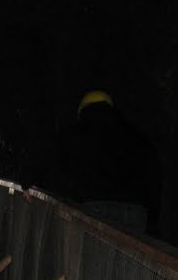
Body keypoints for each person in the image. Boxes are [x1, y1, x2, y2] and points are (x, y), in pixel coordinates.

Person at [44, 90, 162, 234]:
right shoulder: (138, 138)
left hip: (93, 206)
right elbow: (154, 178)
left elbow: (51, 160)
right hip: (135, 211)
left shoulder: (76, 134)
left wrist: (28, 180)